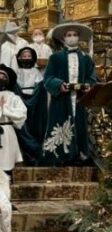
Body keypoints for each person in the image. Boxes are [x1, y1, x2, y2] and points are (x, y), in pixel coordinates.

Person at [43, 22, 96, 166]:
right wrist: (59, 85)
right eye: (69, 35)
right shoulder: (56, 58)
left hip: (80, 99)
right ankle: (59, 155)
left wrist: (88, 86)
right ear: (63, 38)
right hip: (61, 99)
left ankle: (79, 154)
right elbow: (47, 78)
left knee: (79, 124)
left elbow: (92, 77)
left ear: (79, 38)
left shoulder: (86, 58)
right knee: (61, 122)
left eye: (75, 35)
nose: (72, 38)